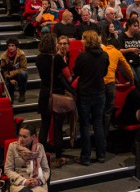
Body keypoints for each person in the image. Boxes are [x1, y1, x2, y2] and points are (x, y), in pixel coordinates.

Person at [35, 34, 75, 168]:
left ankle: (39, 157)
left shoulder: (39, 58)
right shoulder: (57, 58)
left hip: (44, 94)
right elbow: (69, 77)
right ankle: (58, 158)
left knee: (44, 127)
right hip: (57, 94)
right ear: (53, 44)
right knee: (57, 128)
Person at [73, 30, 109, 166]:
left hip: (85, 94)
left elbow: (76, 72)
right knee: (98, 124)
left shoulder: (82, 57)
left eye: (83, 38)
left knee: (85, 126)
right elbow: (105, 72)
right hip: (100, 93)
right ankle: (101, 155)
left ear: (87, 40)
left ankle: (86, 157)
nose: (81, 41)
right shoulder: (104, 55)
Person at [101, 33, 133, 138]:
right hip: (109, 83)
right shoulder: (117, 52)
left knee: (99, 110)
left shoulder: (102, 50)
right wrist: (132, 80)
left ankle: (99, 137)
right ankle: (104, 137)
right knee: (107, 111)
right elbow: (127, 68)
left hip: (99, 83)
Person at [4, 125, 50, 192]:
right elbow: (8, 169)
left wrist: (39, 181)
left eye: (25, 137)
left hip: (37, 183)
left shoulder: (40, 147)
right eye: (20, 135)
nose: (21, 139)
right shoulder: (13, 147)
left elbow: (46, 170)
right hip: (20, 184)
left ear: (33, 137)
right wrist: (24, 181)